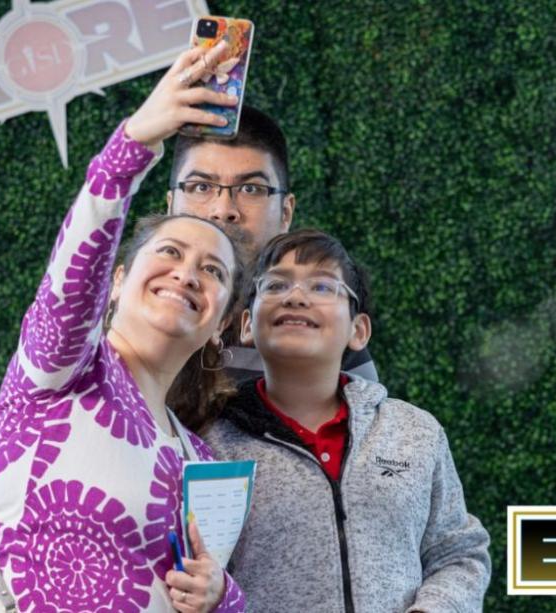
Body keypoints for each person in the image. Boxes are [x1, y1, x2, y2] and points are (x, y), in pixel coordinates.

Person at [0, 45, 246, 612]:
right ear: (117, 280)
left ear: (222, 324)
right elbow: (70, 281)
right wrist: (132, 147)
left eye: (212, 271)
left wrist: (221, 595)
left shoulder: (199, 463)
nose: (186, 273)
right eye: (171, 252)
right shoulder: (65, 368)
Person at [203, 229, 491, 612]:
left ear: (358, 331)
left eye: (322, 287)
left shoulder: (416, 432)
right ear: (247, 326)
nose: (296, 296)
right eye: (275, 285)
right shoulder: (208, 444)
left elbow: (459, 552)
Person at [164, 108, 378, 385]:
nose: (223, 210)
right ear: (170, 205)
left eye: (251, 189)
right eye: (201, 187)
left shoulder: (319, 326)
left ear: (285, 213)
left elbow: (366, 424)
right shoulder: (133, 308)